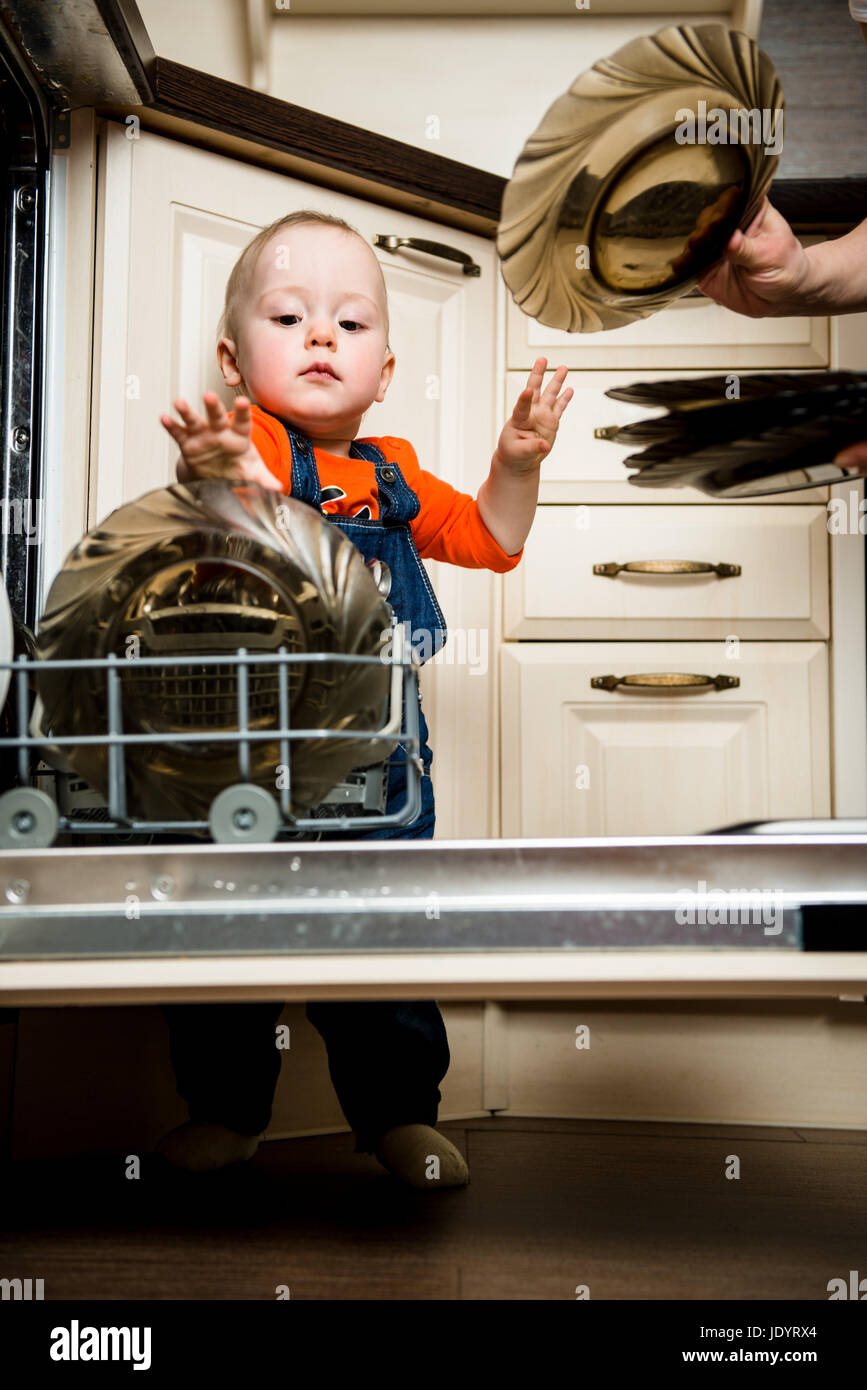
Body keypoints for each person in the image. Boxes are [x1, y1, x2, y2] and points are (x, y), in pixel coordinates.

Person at [155, 210, 573, 1188]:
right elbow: (234, 498)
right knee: (229, 928)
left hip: (376, 747)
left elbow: (495, 540)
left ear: (383, 369)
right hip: (244, 742)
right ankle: (226, 1110)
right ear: (231, 356)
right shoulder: (239, 442)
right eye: (290, 315)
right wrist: (221, 475)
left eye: (349, 323)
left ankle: (396, 1115)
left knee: (378, 926)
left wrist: (518, 462)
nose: (319, 337)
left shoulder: (392, 475)